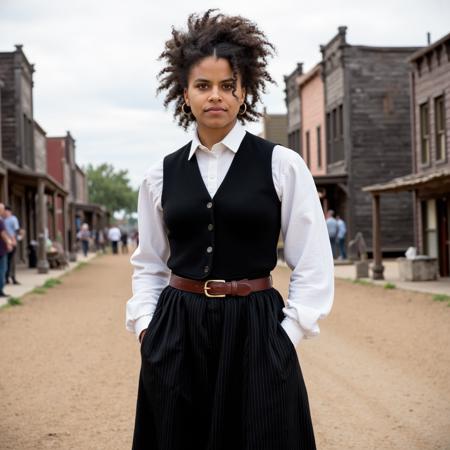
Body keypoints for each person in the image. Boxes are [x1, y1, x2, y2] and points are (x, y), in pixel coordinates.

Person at [126, 10, 334, 450]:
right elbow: (148, 264)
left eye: (227, 85)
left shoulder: (282, 165)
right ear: (184, 93)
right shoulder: (158, 176)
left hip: (257, 328)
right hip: (177, 328)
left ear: (244, 92)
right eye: (203, 85)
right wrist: (148, 327)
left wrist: (287, 335)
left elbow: (313, 260)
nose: (215, 96)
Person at [4, 205, 20, 284]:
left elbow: (16, 230)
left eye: (5, 211)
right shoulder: (3, 219)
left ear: (9, 211)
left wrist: (14, 240)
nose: (4, 212)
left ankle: (12, 277)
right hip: (5, 243)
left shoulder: (13, 219)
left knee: (11, 261)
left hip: (12, 242)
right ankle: (6, 277)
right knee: (6, 261)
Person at [0, 204, 13, 297]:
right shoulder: (0, 220)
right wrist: (9, 242)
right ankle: (0, 290)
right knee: (2, 270)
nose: (4, 211)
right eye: (3, 209)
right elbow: (3, 233)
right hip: (1, 250)